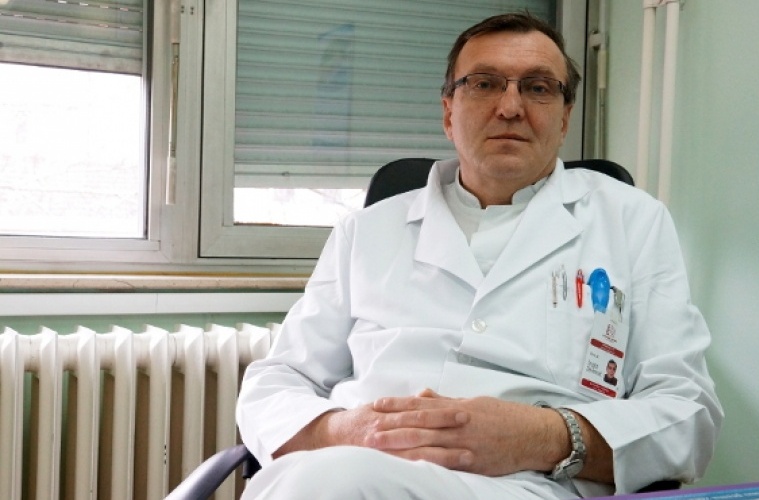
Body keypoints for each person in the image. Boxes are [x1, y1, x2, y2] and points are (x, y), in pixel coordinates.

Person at [236, 12, 723, 500]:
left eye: (537, 88)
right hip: (358, 466)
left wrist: (543, 436)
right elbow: (278, 380)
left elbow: (688, 413)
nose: (510, 107)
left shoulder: (631, 221)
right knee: (328, 479)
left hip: (531, 485)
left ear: (564, 119)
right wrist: (349, 431)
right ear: (449, 112)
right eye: (485, 84)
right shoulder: (365, 231)